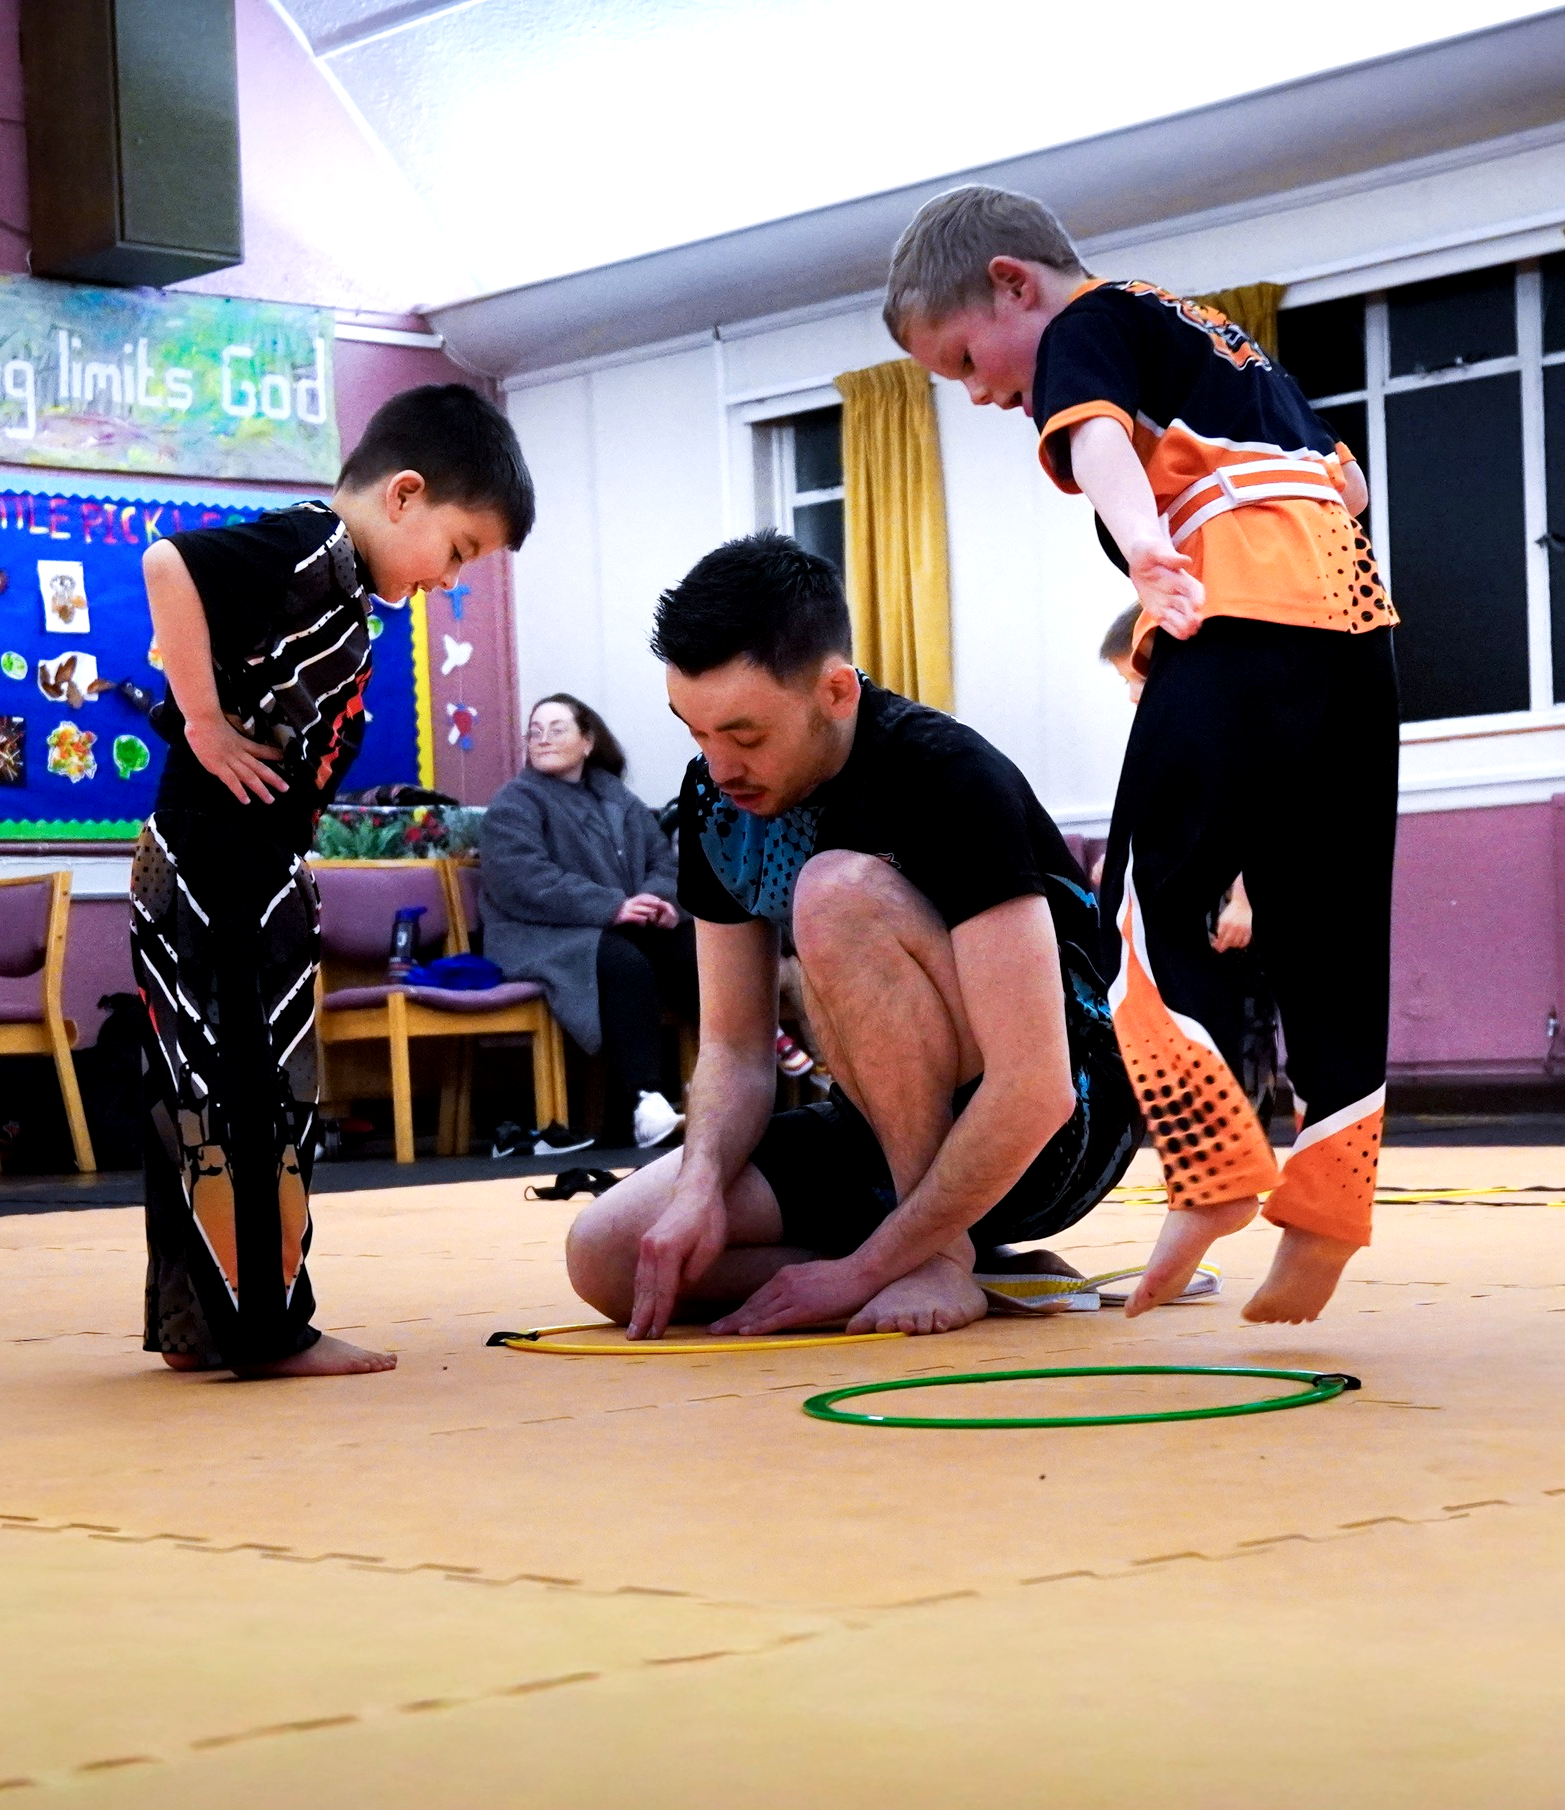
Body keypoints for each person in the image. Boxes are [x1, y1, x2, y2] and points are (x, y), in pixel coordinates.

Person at [887, 185, 1398, 1324]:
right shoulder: (1214, 333)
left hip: (1244, 617)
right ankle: (1327, 1213)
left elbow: (1104, 439)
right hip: (1360, 636)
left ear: (1013, 283)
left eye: (967, 358)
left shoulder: (1083, 327)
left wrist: (1149, 544)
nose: (977, 392)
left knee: (1141, 903)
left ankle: (1213, 1168)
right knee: (1332, 925)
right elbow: (1347, 483)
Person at [565, 533, 1142, 1340]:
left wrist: (872, 1270)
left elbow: (1036, 1086)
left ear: (836, 692)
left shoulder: (943, 773)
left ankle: (935, 1255)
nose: (720, 766)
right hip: (882, 1122)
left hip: (1056, 1132)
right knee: (611, 1255)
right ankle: (976, 1263)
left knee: (834, 891)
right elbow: (735, 1050)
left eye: (747, 735)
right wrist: (698, 1184)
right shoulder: (712, 802)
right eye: (696, 733)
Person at [133, 383, 535, 1379]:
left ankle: (199, 1324)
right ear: (404, 496)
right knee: (255, 1094)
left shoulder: (347, 585)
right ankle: (269, 1328)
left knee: (202, 1095)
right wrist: (205, 721)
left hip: (230, 855)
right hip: (216, 857)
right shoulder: (316, 550)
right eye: (460, 551)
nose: (451, 581)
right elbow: (168, 560)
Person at [479, 693, 695, 1150]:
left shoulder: (619, 799)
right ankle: (645, 1102)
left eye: (557, 729)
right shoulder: (513, 803)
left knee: (689, 948)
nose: (543, 739)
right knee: (624, 963)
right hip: (537, 936)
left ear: (588, 740)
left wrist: (655, 901)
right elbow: (523, 880)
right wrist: (613, 906)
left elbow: (663, 862)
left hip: (610, 924)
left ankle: (730, 1086)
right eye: (535, 731)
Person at [1099, 602, 1279, 1123]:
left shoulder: (1228, 727)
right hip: (1198, 906)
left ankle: (1242, 1131)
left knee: (1243, 1025)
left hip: (1232, 906)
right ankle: (1216, 1128)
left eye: (1132, 676)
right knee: (1204, 1018)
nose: (1131, 694)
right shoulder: (1177, 731)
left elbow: (1251, 812)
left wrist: (1243, 901)